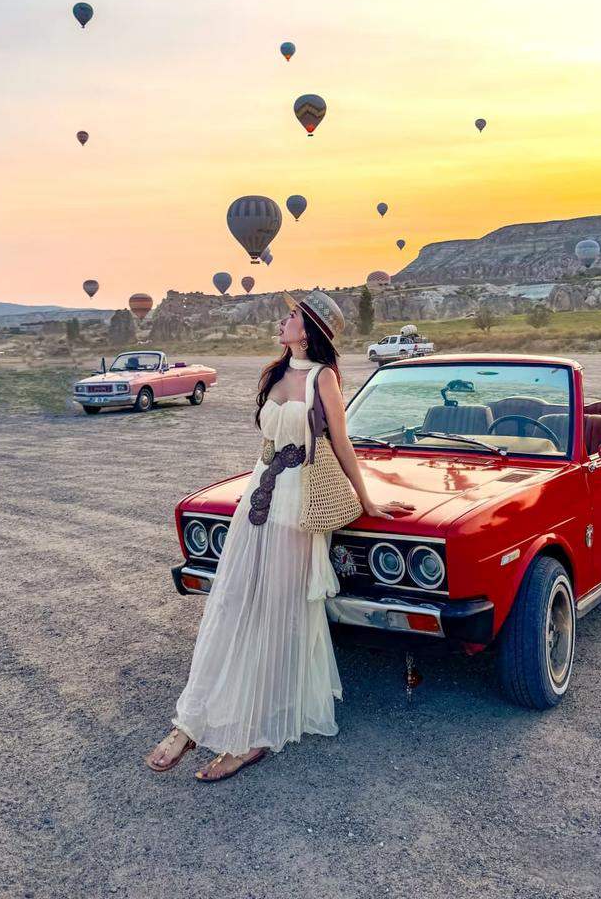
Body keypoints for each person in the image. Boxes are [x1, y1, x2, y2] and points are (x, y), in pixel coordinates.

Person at [143, 289, 415, 782]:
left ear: (307, 328)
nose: (282, 321)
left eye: (291, 316)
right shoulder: (274, 373)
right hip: (260, 494)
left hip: (298, 500)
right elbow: (268, 442)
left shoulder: (323, 377)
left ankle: (253, 736)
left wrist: (368, 500)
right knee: (233, 602)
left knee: (276, 612)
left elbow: (341, 442)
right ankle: (192, 720)